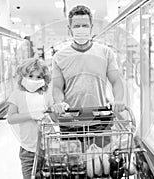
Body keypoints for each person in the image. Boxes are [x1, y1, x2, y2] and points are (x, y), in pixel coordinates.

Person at [50, 5, 126, 148]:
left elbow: (116, 81)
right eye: (76, 26)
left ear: (91, 27)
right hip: (70, 121)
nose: (81, 29)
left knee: (101, 166)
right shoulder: (59, 57)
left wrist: (119, 99)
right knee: (74, 166)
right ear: (69, 29)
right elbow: (57, 88)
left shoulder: (106, 53)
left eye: (84, 25)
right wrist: (58, 103)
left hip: (100, 120)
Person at [7, 59, 51, 179]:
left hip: (48, 147)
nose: (34, 80)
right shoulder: (17, 95)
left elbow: (54, 117)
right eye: (30, 76)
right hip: (28, 149)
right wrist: (31, 115)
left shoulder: (46, 95)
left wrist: (60, 107)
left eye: (39, 77)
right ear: (22, 77)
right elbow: (11, 118)